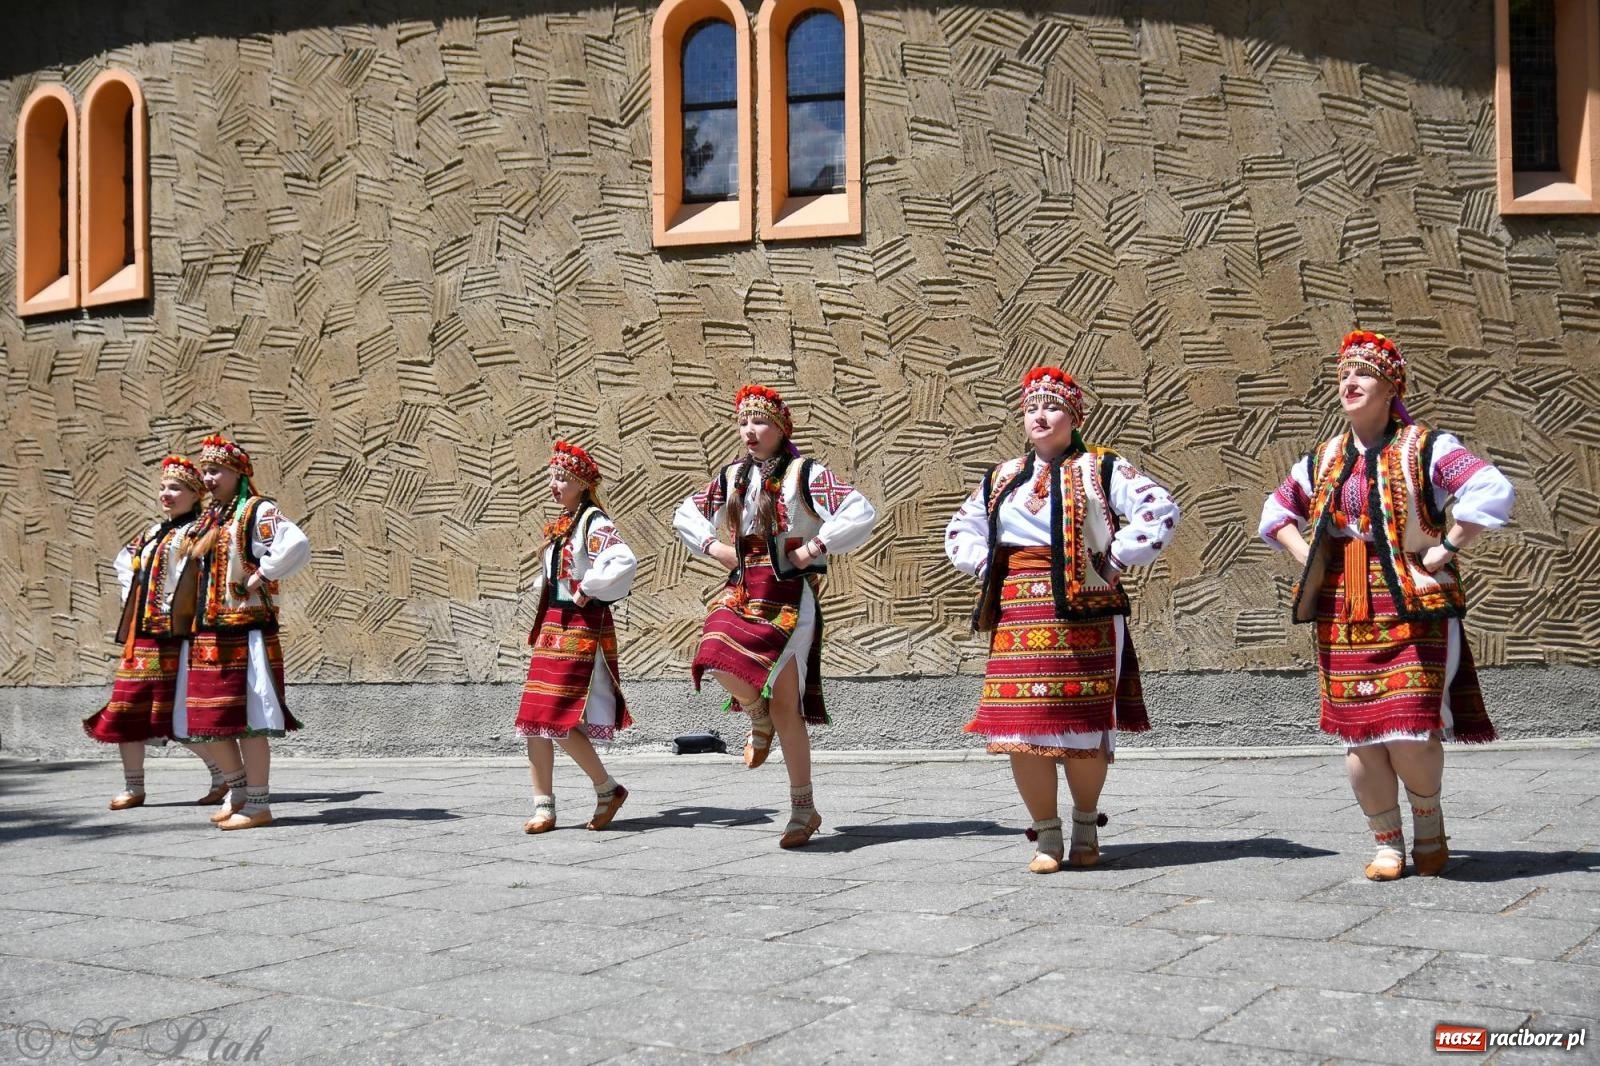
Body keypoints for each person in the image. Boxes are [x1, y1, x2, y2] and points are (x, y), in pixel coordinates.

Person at [1259, 330, 1514, 880]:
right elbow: (1275, 514)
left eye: (1364, 374)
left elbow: (1490, 489)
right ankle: (1387, 843)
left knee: (1410, 727)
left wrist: (1446, 549)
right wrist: (1312, 559)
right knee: (1360, 737)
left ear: (1391, 384)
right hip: (1343, 605)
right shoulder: (1324, 457)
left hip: (1412, 600)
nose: (1350, 382)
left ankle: (1428, 825)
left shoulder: (1427, 447)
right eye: (1344, 374)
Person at [945, 367, 1180, 873]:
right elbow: (961, 527)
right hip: (1019, 612)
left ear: (1074, 417)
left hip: (1085, 612)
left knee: (1080, 726)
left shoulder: (1104, 469)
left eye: (1051, 407)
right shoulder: (1004, 476)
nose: (1039, 415)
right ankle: (1046, 835)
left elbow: (1160, 508)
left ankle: (1085, 824)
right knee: (1020, 723)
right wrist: (987, 565)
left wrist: (1116, 560)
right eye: (1031, 408)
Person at [673, 384, 877, 848]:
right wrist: (715, 547)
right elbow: (686, 512)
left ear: (782, 428)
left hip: (789, 594)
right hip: (743, 586)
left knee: (787, 703)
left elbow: (858, 510)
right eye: (743, 421)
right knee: (711, 652)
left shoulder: (805, 473)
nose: (750, 429)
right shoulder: (732, 477)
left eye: (760, 421)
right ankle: (754, 714)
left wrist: (814, 547)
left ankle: (803, 809)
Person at [175, 434, 311, 831]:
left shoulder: (256, 510)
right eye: (206, 470)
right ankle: (238, 793)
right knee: (208, 721)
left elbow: (296, 543)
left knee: (248, 720)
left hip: (243, 631)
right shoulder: (210, 518)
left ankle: (258, 804)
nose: (209, 477)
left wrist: (262, 575)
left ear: (238, 472)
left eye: (216, 470)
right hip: (205, 633)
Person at [84, 456, 225, 809]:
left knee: (176, 713)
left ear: (195, 495)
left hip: (178, 636)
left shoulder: (199, 532)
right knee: (126, 707)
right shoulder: (150, 533)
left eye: (175, 488)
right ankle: (134, 787)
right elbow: (124, 564)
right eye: (163, 487)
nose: (166, 493)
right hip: (143, 635)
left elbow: (209, 577)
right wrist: (135, 597)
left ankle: (223, 775)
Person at [515, 440, 638, 835]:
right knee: (535, 719)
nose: (555, 484)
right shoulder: (566, 523)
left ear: (583, 485)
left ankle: (607, 788)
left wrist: (589, 585)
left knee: (557, 718)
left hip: (580, 630)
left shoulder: (593, 522)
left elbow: (623, 559)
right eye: (552, 476)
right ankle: (544, 807)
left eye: (563, 478)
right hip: (553, 628)